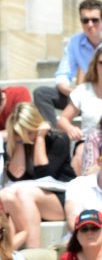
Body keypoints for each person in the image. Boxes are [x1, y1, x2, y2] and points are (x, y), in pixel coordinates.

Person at [33, 0, 102, 125]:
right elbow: (62, 75)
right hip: (84, 96)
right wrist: (76, 93)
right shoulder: (75, 42)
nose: (90, 24)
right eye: (85, 20)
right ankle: (54, 135)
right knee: (41, 93)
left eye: (94, 20)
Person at [0, 103, 75, 249]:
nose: (25, 137)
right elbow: (16, 175)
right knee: (8, 197)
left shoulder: (58, 139)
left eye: (29, 132)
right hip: (29, 199)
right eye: (18, 133)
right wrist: (20, 142)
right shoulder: (16, 143)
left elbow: (44, 177)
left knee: (24, 193)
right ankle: (7, 254)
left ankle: (33, 253)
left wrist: (40, 138)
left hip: (62, 197)